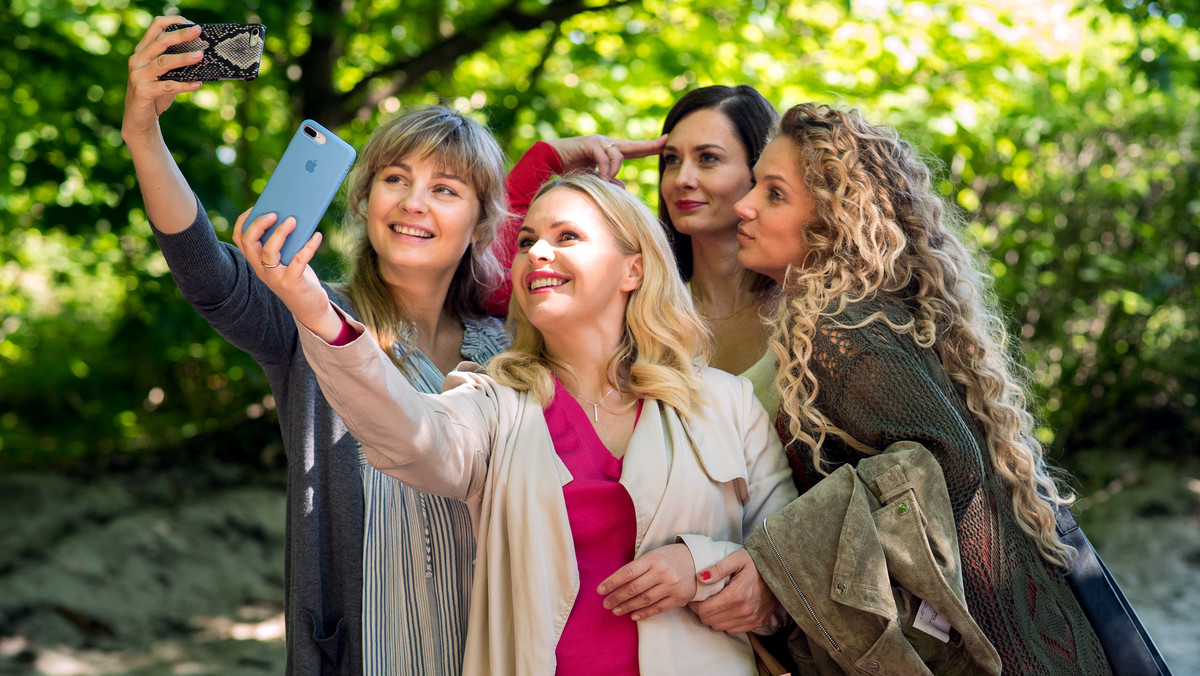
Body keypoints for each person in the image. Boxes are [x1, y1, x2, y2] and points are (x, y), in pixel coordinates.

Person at [258, 171, 798, 674]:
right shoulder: (492, 403)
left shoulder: (729, 403)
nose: (537, 252)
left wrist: (701, 567)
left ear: (633, 268)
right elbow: (407, 437)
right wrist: (312, 307)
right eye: (525, 242)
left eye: (567, 237)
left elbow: (785, 574)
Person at [123, 17, 509, 675]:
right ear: (362, 199)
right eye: (395, 178)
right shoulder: (308, 315)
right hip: (359, 650)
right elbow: (208, 276)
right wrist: (144, 134)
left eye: (444, 189)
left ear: (481, 225)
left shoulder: (507, 349)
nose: (414, 202)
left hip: (485, 646)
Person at [697, 102, 1111, 674]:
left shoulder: (840, 330)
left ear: (832, 220)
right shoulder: (872, 312)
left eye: (774, 194)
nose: (742, 206)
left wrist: (777, 567)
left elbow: (946, 461)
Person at [488, 85, 781, 415]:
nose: (682, 178)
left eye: (708, 158)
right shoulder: (632, 302)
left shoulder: (805, 309)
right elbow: (490, 278)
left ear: (760, 171)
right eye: (671, 160)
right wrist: (549, 159)